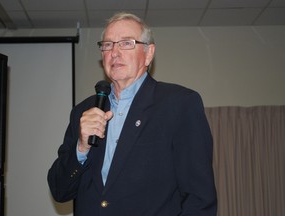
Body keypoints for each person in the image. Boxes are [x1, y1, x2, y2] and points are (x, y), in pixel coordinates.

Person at [47, 12, 217, 216]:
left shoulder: (179, 104)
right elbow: (60, 190)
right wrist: (81, 148)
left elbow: (199, 198)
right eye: (108, 45)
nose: (114, 52)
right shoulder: (83, 112)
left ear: (148, 53)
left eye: (126, 43)